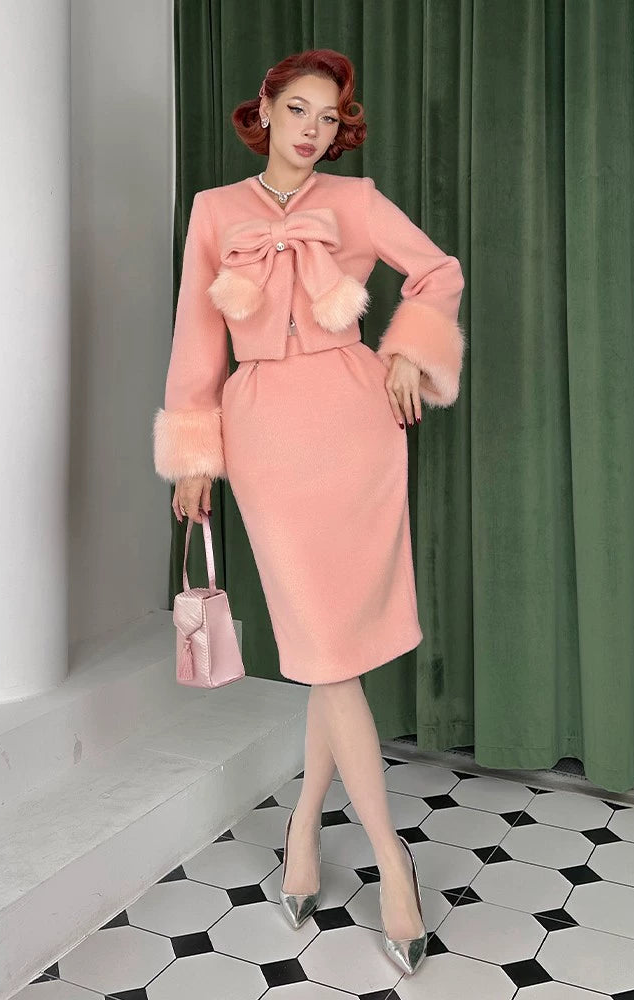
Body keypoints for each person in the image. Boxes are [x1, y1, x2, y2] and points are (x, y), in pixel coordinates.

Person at [153, 48, 465, 976]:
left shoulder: (356, 201)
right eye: (298, 109)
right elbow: (196, 333)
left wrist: (404, 354)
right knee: (325, 650)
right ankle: (384, 858)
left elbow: (438, 272)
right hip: (264, 432)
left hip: (355, 423)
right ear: (265, 107)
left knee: (333, 658)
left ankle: (317, 836)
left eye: (328, 118)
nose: (313, 130)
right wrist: (195, 455)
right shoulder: (215, 210)